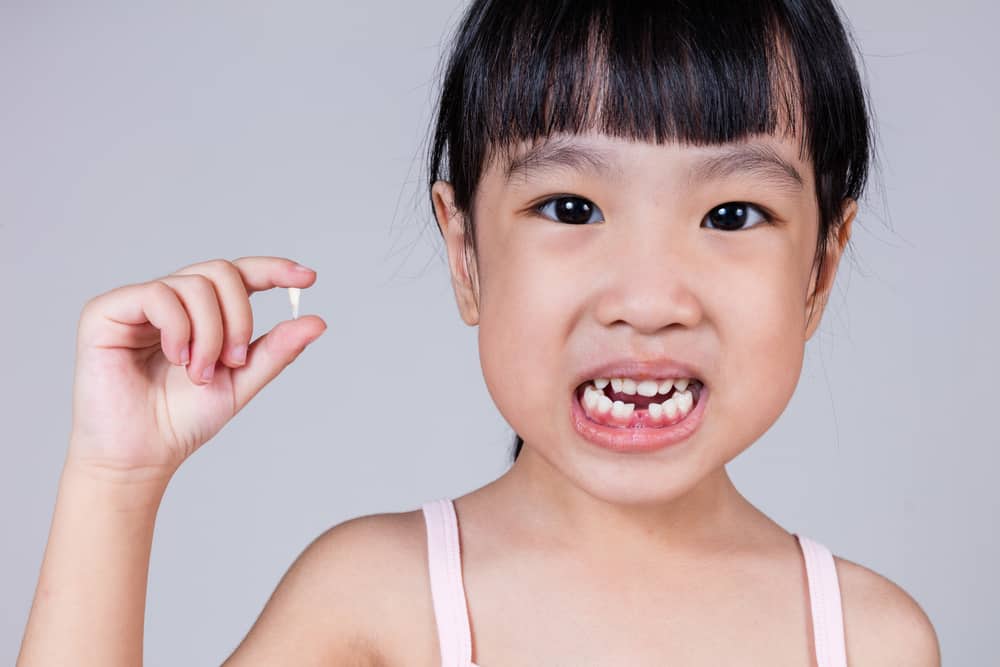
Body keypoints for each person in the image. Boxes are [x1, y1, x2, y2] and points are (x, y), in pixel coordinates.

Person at [18, 0, 942, 664]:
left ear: (821, 268)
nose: (652, 297)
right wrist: (116, 478)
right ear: (465, 250)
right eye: (571, 204)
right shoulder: (377, 599)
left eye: (733, 214)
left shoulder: (872, 639)